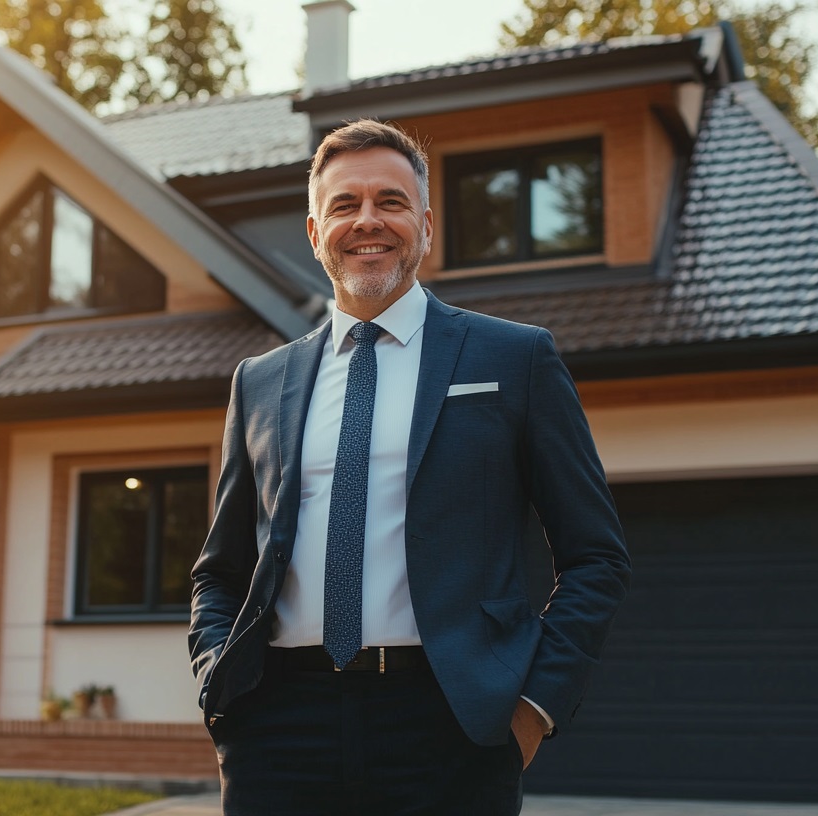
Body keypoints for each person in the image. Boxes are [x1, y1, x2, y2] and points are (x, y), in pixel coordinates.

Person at [188, 119, 631, 815]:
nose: (368, 221)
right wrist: (221, 693)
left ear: (425, 225)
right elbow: (221, 569)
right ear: (314, 232)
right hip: (277, 728)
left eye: (390, 202)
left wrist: (531, 711)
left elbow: (596, 557)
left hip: (451, 727)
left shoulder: (513, 360)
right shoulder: (260, 382)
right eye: (345, 204)